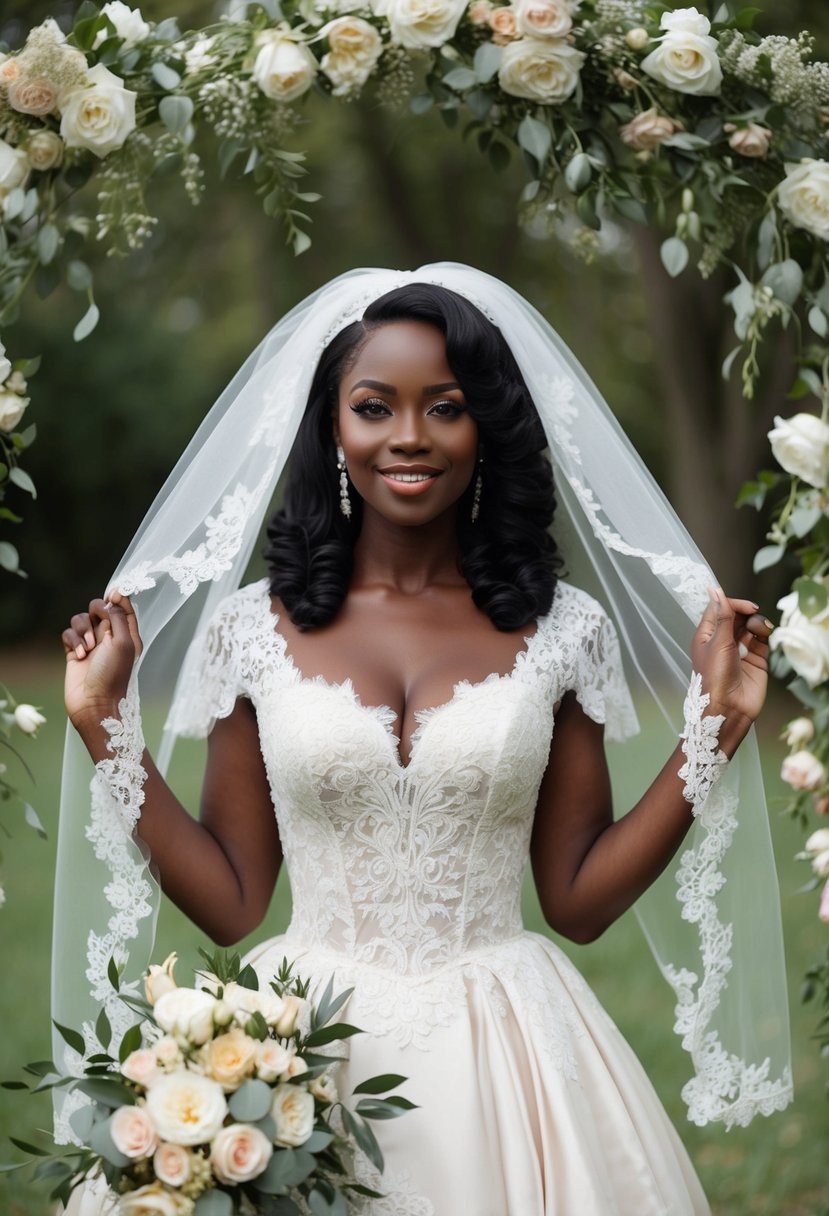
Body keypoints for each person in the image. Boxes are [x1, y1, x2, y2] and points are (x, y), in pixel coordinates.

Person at [56, 266, 792, 1214]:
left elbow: (576, 899)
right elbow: (236, 902)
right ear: (333, 428)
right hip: (299, 1046)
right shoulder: (250, 632)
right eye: (375, 407)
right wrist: (102, 724)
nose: (409, 436)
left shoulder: (562, 630)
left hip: (509, 1050)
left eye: (444, 407)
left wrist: (716, 726)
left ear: (485, 426)